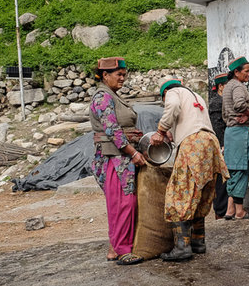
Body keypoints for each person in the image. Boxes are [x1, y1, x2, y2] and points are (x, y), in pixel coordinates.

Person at [151, 79, 229, 261]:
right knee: (200, 192)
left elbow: (173, 106)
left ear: (165, 92)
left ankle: (181, 247)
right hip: (210, 142)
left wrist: (161, 131)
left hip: (193, 144)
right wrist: (173, 130)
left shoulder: (173, 93)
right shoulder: (196, 96)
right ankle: (198, 242)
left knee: (179, 193)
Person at [89, 57, 145, 266]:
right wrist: (133, 152)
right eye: (118, 75)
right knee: (124, 202)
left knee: (120, 201)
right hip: (113, 157)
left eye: (124, 75)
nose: (122, 78)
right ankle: (123, 250)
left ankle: (115, 247)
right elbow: (112, 129)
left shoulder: (112, 96)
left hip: (119, 155)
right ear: (105, 75)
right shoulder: (103, 97)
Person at [222, 56, 249, 220]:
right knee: (241, 171)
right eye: (246, 71)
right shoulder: (238, 87)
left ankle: (229, 210)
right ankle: (240, 212)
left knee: (233, 171)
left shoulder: (227, 87)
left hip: (231, 133)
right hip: (241, 134)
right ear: (236, 72)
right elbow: (239, 104)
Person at [209, 72, 229, 219]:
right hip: (221, 145)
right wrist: (222, 144)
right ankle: (221, 211)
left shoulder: (223, 101)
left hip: (225, 143)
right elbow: (217, 126)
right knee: (221, 180)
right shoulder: (217, 102)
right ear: (221, 86)